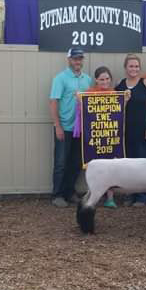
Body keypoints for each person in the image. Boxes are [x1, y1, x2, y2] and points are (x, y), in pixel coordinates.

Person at [49, 48, 92, 208]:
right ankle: (57, 194)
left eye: (80, 59)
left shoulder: (87, 79)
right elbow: (53, 102)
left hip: (81, 129)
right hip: (65, 127)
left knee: (76, 162)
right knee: (60, 162)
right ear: (69, 60)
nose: (78, 62)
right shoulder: (60, 78)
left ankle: (69, 192)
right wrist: (57, 125)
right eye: (75, 59)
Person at [74, 66, 119, 208]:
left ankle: (110, 198)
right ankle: (93, 195)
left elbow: (120, 112)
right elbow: (84, 112)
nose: (105, 82)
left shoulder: (115, 93)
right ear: (96, 80)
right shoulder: (89, 93)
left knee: (111, 166)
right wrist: (80, 100)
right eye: (101, 79)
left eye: (107, 79)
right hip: (93, 135)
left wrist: (127, 99)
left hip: (110, 134)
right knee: (93, 166)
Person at [115, 54, 146, 206]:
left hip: (142, 131)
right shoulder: (119, 84)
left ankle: (144, 196)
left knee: (143, 164)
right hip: (125, 132)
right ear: (126, 68)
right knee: (128, 164)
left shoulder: (145, 83)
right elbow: (115, 109)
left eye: (136, 66)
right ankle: (130, 194)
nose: (134, 69)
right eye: (131, 66)